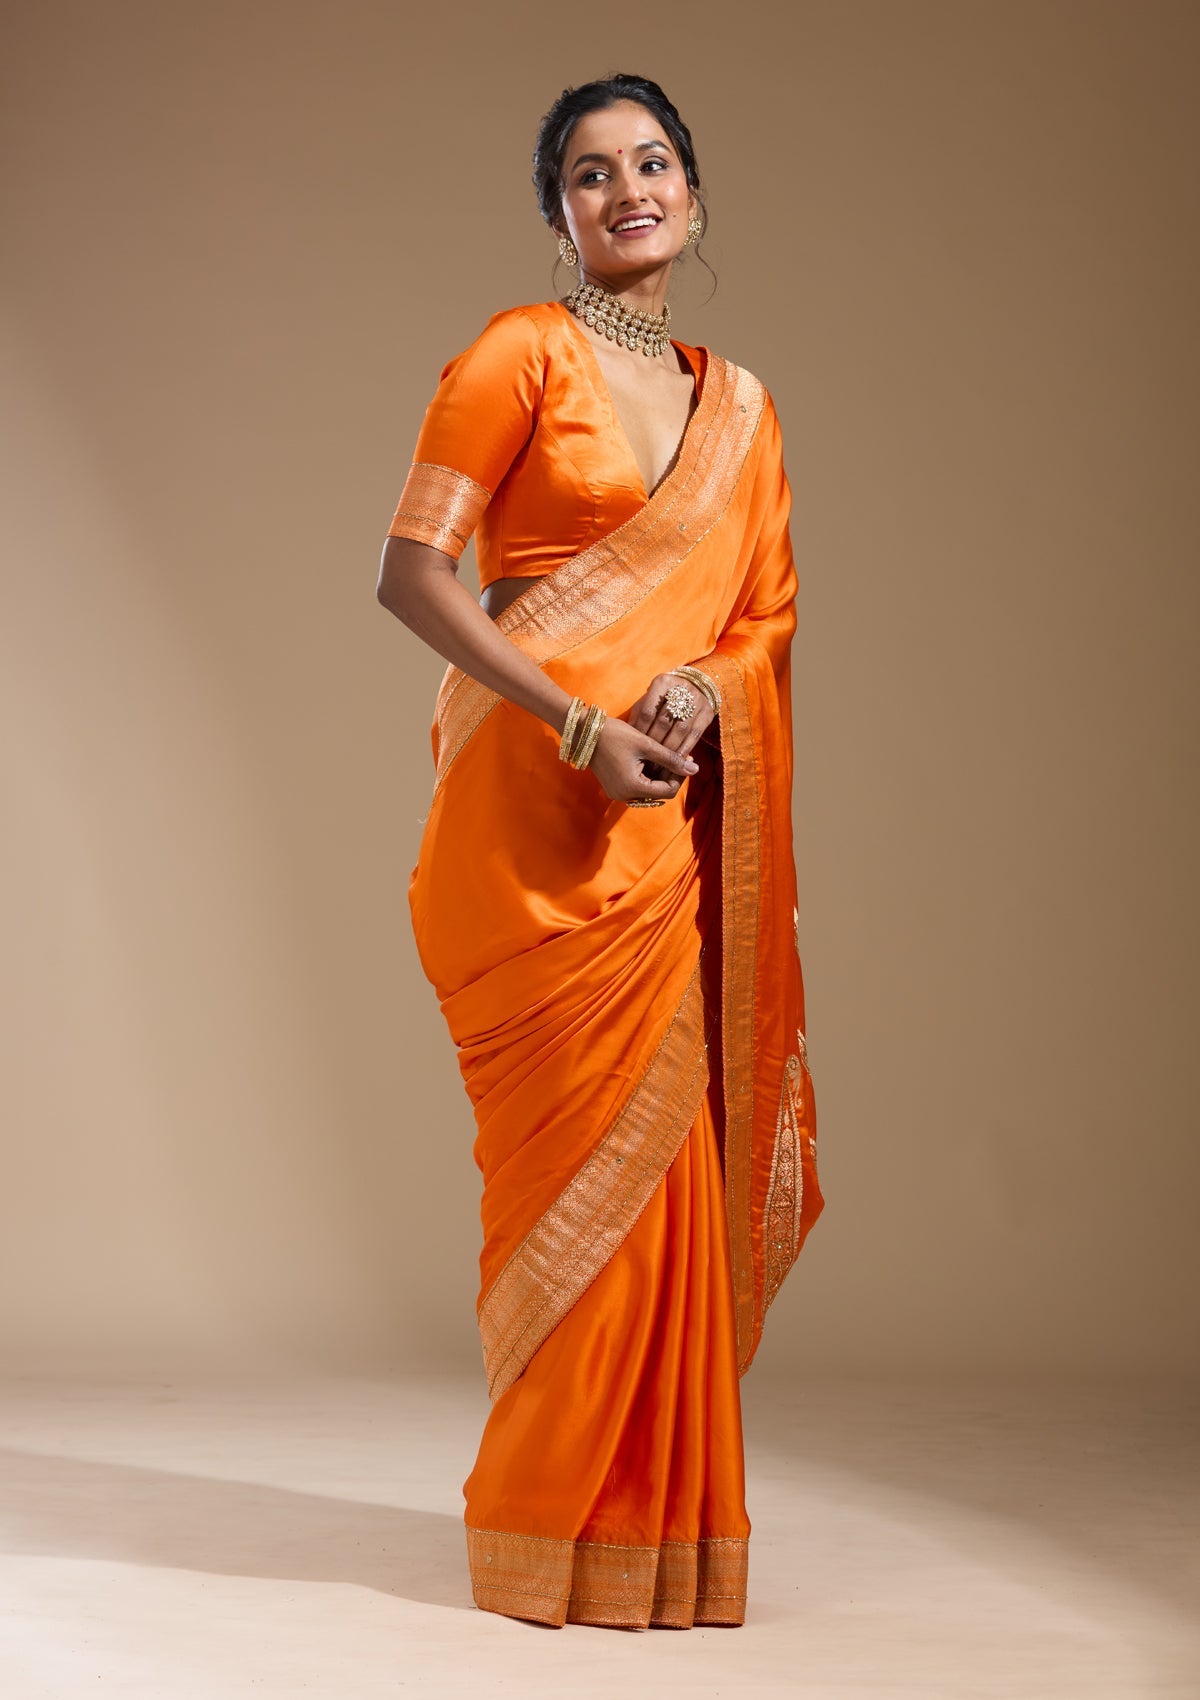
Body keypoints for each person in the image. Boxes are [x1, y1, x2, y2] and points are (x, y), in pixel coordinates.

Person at [376, 72, 824, 1631]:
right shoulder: (520, 354)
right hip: (529, 814)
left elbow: (763, 618)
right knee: (558, 1175)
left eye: (651, 163)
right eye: (590, 172)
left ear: (693, 191)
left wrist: (705, 688)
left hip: (662, 822)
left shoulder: (744, 410)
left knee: (660, 1182)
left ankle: (648, 1544)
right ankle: (539, 1527)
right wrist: (577, 722)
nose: (627, 190)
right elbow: (411, 573)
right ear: (556, 211)